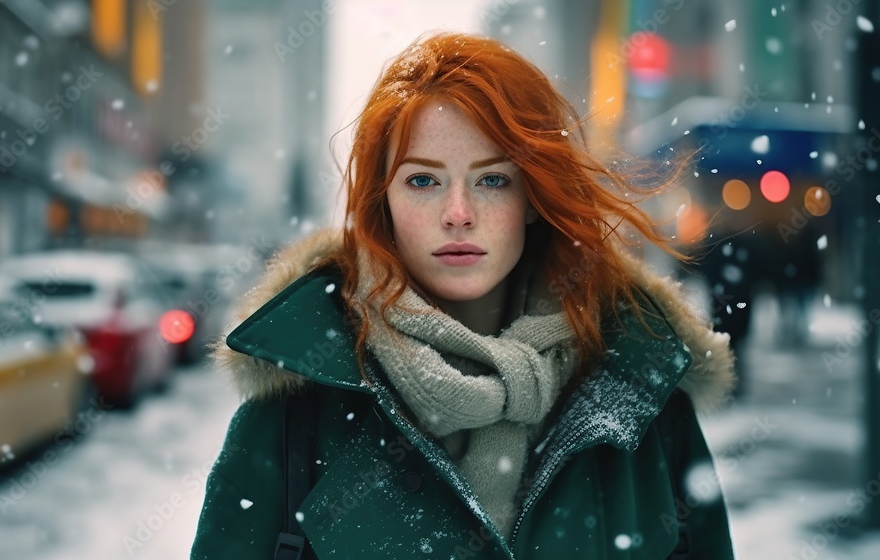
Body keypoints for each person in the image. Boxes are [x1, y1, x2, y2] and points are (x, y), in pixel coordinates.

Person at [191, 32, 736, 559]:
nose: (458, 213)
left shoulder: (641, 391)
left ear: (532, 196)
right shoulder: (299, 404)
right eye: (423, 181)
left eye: (492, 180)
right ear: (384, 202)